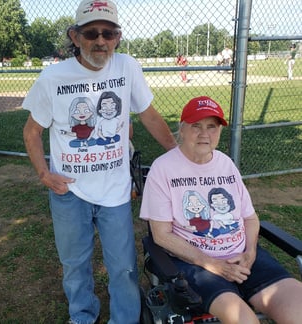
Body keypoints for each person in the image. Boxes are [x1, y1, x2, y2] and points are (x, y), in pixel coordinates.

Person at [22, 0, 177, 323]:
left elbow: (147, 114)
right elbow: (32, 131)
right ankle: (82, 315)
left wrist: (178, 154)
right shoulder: (53, 78)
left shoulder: (127, 67)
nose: (100, 40)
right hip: (70, 192)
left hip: (116, 191)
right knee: (75, 263)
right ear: (75, 36)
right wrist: (44, 174)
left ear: (118, 37)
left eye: (109, 32)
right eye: (91, 33)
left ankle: (125, 319)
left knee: (123, 266)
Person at [140, 96, 302, 323]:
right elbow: (161, 235)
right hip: (197, 264)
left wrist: (250, 253)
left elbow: (250, 218)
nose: (204, 134)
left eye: (212, 127)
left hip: (243, 258)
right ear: (182, 129)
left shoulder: (225, 163)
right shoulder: (163, 169)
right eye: (196, 126)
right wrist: (213, 264)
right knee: (244, 320)